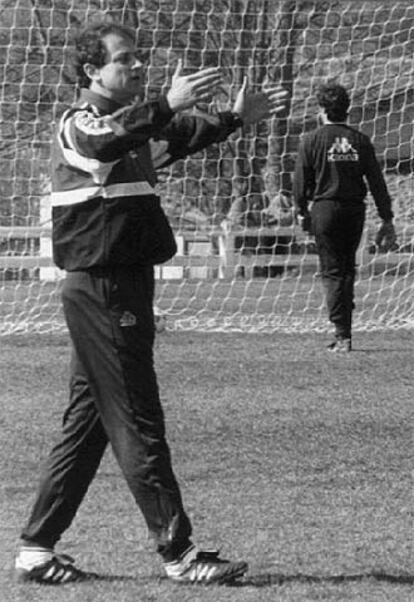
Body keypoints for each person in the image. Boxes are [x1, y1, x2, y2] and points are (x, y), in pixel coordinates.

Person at [14, 21, 287, 585]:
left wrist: (235, 118)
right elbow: (105, 140)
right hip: (105, 289)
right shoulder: (79, 125)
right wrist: (163, 101)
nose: (138, 67)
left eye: (140, 59)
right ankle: (179, 555)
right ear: (92, 71)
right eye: (125, 60)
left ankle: (36, 550)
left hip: (119, 287)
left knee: (87, 424)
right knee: (138, 416)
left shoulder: (132, 133)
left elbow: (177, 135)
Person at [292, 83, 397, 352]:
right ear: (347, 109)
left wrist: (301, 210)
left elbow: (301, 180)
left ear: (321, 109)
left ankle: (342, 335)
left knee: (332, 271)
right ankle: (345, 331)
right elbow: (376, 181)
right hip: (354, 210)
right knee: (348, 269)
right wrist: (387, 218)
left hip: (324, 209)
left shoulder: (311, 140)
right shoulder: (360, 140)